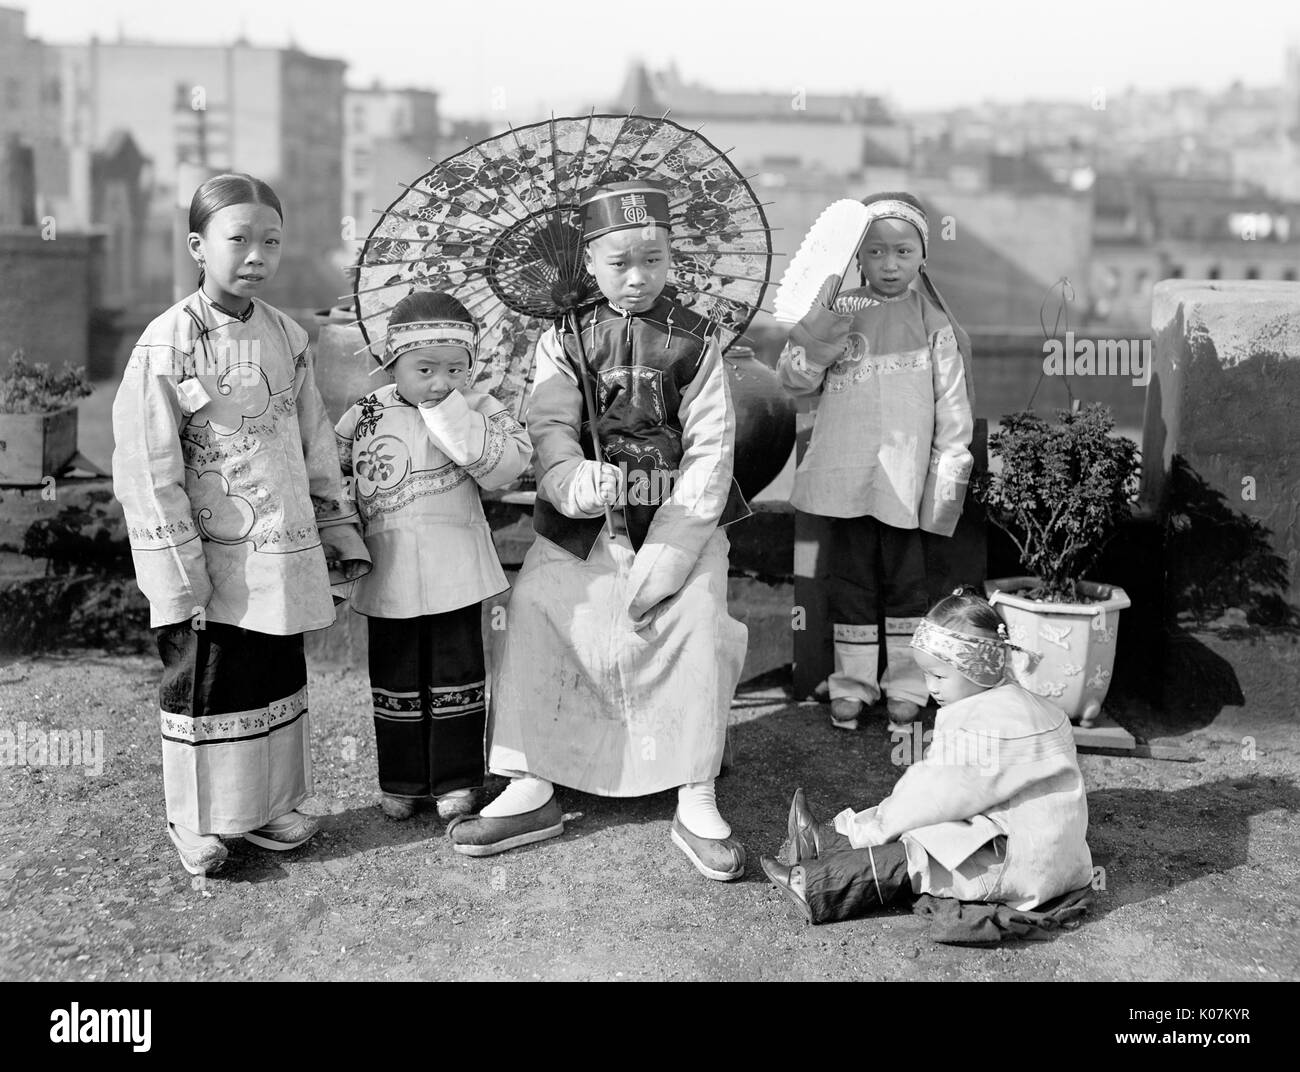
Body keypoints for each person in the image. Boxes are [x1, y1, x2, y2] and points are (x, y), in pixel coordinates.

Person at [448, 179, 752, 881]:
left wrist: (672, 551)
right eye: (620, 262)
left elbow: (711, 452)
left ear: (673, 257)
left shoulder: (697, 340)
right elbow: (549, 426)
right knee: (535, 605)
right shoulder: (563, 337)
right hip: (587, 526)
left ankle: (695, 788)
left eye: (654, 258)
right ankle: (533, 778)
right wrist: (573, 480)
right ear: (589, 262)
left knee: (696, 616)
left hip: (680, 522)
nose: (638, 277)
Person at [112, 172, 370, 877]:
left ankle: (264, 807)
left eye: (271, 240)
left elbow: (314, 437)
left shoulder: (288, 335)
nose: (256, 254)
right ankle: (194, 818)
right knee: (207, 680)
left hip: (278, 544)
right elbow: (144, 459)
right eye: (239, 239)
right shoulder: (168, 342)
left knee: (271, 671)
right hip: (206, 551)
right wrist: (174, 563)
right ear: (198, 246)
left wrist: (335, 526)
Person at [759, 588, 1094, 925]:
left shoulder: (986, 726)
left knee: (916, 848)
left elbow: (930, 795)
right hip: (1050, 852)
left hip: (1018, 863)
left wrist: (873, 830)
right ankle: (822, 840)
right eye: (925, 675)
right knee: (919, 813)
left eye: (939, 675)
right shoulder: (1025, 703)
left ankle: (817, 886)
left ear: (977, 669)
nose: (930, 686)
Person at [777, 192, 975, 733]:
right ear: (857, 258)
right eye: (877, 252)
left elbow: (953, 406)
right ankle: (851, 685)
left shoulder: (932, 321)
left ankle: (908, 685)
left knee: (909, 586)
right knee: (851, 583)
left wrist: (950, 467)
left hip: (906, 477)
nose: (890, 265)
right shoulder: (839, 311)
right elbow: (794, 380)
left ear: (922, 257)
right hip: (849, 474)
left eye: (903, 252)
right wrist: (818, 334)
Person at [335, 291, 532, 822]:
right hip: (388, 564)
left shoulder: (479, 407)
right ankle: (401, 781)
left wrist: (453, 417)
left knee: (458, 674)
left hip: (456, 567)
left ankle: (457, 781)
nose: (440, 381)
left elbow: (506, 466)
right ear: (391, 362)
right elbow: (332, 475)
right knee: (393, 677)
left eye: (454, 368)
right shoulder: (366, 414)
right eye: (424, 369)